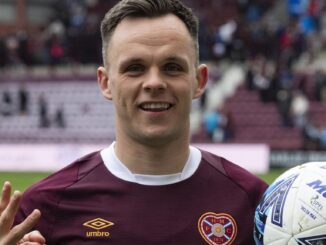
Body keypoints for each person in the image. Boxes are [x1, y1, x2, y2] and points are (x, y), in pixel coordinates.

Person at [14, 0, 268, 244]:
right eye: (135, 68)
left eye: (172, 67)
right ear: (105, 83)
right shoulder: (40, 209)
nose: (154, 83)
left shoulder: (256, 203)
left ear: (199, 81)